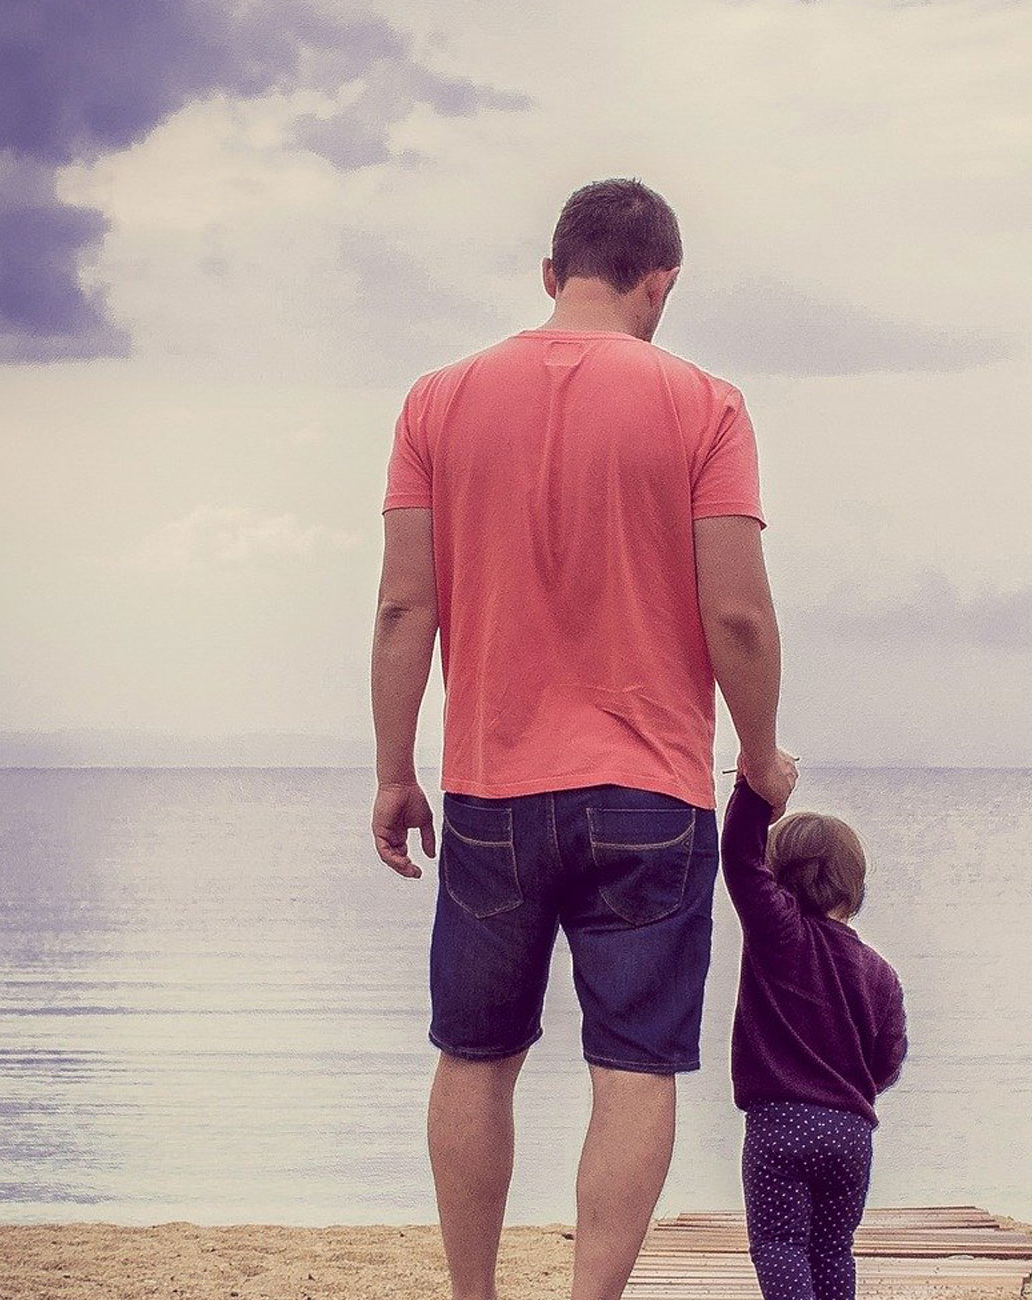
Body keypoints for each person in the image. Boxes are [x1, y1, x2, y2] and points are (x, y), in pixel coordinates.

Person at [369, 177, 800, 1300]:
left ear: (551, 274)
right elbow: (739, 614)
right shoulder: (705, 403)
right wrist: (759, 755)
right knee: (633, 1068)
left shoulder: (437, 401)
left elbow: (406, 607)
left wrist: (392, 770)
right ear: (660, 283)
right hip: (654, 794)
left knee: (475, 1057)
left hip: (491, 786)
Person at [720, 776, 907, 1300]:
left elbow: (739, 857)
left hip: (781, 1125)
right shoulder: (880, 973)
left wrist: (756, 790)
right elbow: (888, 1062)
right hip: (851, 1134)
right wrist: (847, 1083)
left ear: (779, 881)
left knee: (780, 1244)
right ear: (856, 889)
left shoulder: (781, 935)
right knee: (831, 1250)